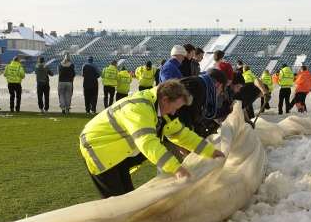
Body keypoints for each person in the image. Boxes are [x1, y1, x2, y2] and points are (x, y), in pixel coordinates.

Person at [79, 79, 225, 198]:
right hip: (99, 150)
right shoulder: (139, 108)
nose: (175, 111)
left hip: (116, 154)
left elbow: (182, 135)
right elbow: (147, 142)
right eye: (175, 107)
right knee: (116, 201)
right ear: (166, 100)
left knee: (128, 197)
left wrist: (211, 152)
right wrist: (177, 169)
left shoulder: (162, 110)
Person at [176, 68, 228, 137]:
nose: (219, 94)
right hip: (172, 129)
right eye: (221, 91)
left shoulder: (201, 84)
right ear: (218, 85)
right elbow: (188, 114)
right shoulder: (199, 88)